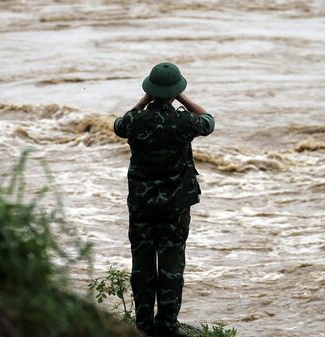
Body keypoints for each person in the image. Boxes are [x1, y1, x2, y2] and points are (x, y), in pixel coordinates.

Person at [113, 62, 214, 337]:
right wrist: (181, 96)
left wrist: (146, 98)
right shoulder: (184, 122)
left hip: (142, 206)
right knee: (171, 266)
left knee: (142, 265)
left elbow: (119, 125)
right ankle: (167, 325)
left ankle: (143, 325)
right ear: (176, 92)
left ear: (150, 89)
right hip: (175, 206)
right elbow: (209, 121)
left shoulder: (135, 120)